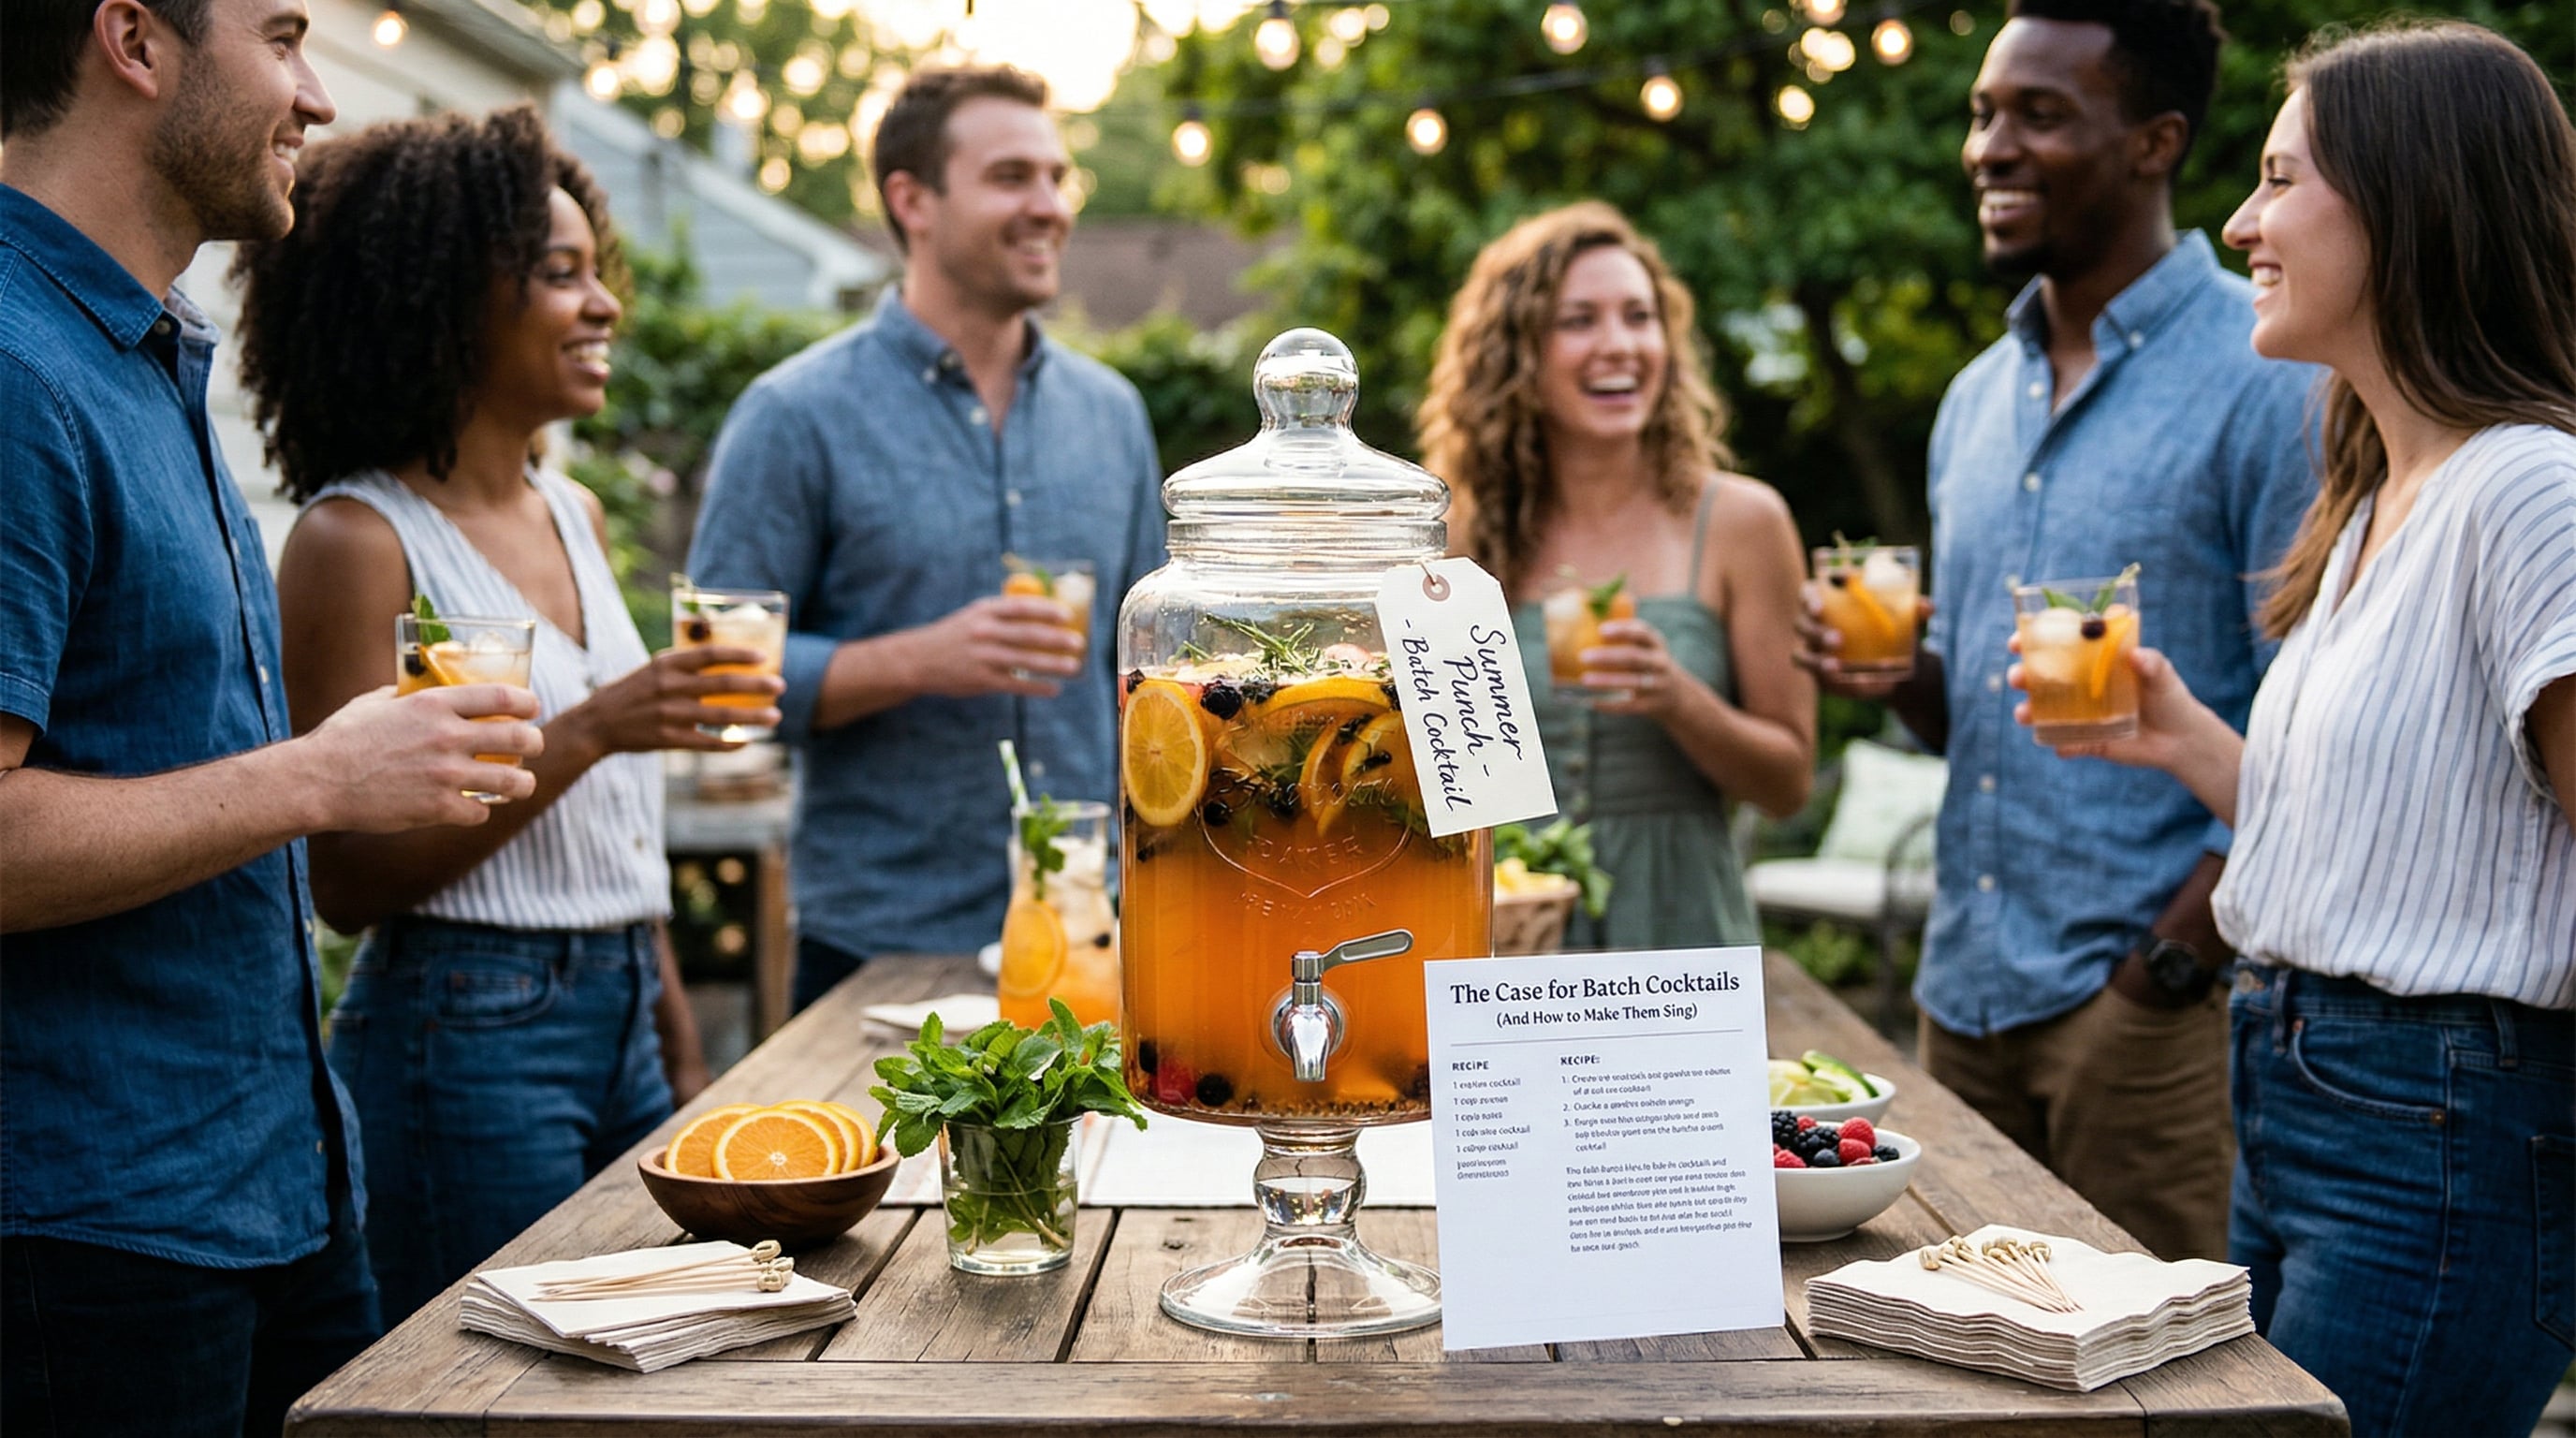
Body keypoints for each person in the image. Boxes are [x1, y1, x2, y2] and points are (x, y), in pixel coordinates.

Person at [2012, 22, 2575, 1434]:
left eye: (2280, 180)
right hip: (2302, 1090)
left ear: (2412, 200)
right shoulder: (2377, 491)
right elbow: (2394, 849)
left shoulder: (2529, 495)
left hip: (2438, 1122)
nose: (2241, 220)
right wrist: (2186, 739)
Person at [0, 0, 549, 1431]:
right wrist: (318, 777)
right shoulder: (12, 372)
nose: (315, 95)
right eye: (285, 36)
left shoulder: (134, 349)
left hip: (277, 1193)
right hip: (91, 1242)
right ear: (132, 40)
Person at [232, 105, 785, 1326]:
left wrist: (680, 1050)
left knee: (675, 1348)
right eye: (558, 274)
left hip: (628, 1007)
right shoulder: (359, 542)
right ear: (438, 299)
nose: (604, 307)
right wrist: (592, 728)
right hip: (464, 1040)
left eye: (601, 274)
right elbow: (349, 879)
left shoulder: (573, 513)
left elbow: (616, 855)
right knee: (505, 1385)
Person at [1798, 0, 2317, 1262]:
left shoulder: (2273, 381)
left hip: (2148, 1019)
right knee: (1966, 1356)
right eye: (1983, 115)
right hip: (1960, 1002)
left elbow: (2302, 715)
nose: (1990, 147)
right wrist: (1901, 676)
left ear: (2154, 141)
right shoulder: (1976, 399)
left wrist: (2162, 977)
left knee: (2165, 1380)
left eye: (2040, 114)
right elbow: (1981, 713)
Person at [688, 65, 1164, 1006]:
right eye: (1010, 178)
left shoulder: (1113, 415)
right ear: (912, 200)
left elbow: (1153, 671)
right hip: (876, 946)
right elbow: (711, 682)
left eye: (1056, 178)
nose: (1048, 207)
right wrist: (917, 659)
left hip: (1092, 931)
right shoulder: (793, 414)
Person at [1420, 201, 1815, 949]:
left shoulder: (1743, 523)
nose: (1620, 346)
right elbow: (1443, 791)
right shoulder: (1453, 545)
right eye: (1578, 321)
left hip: (1680, 935)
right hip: (1503, 942)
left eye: (1640, 317)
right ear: (1515, 355)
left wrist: (1679, 700)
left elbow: (1789, 785)